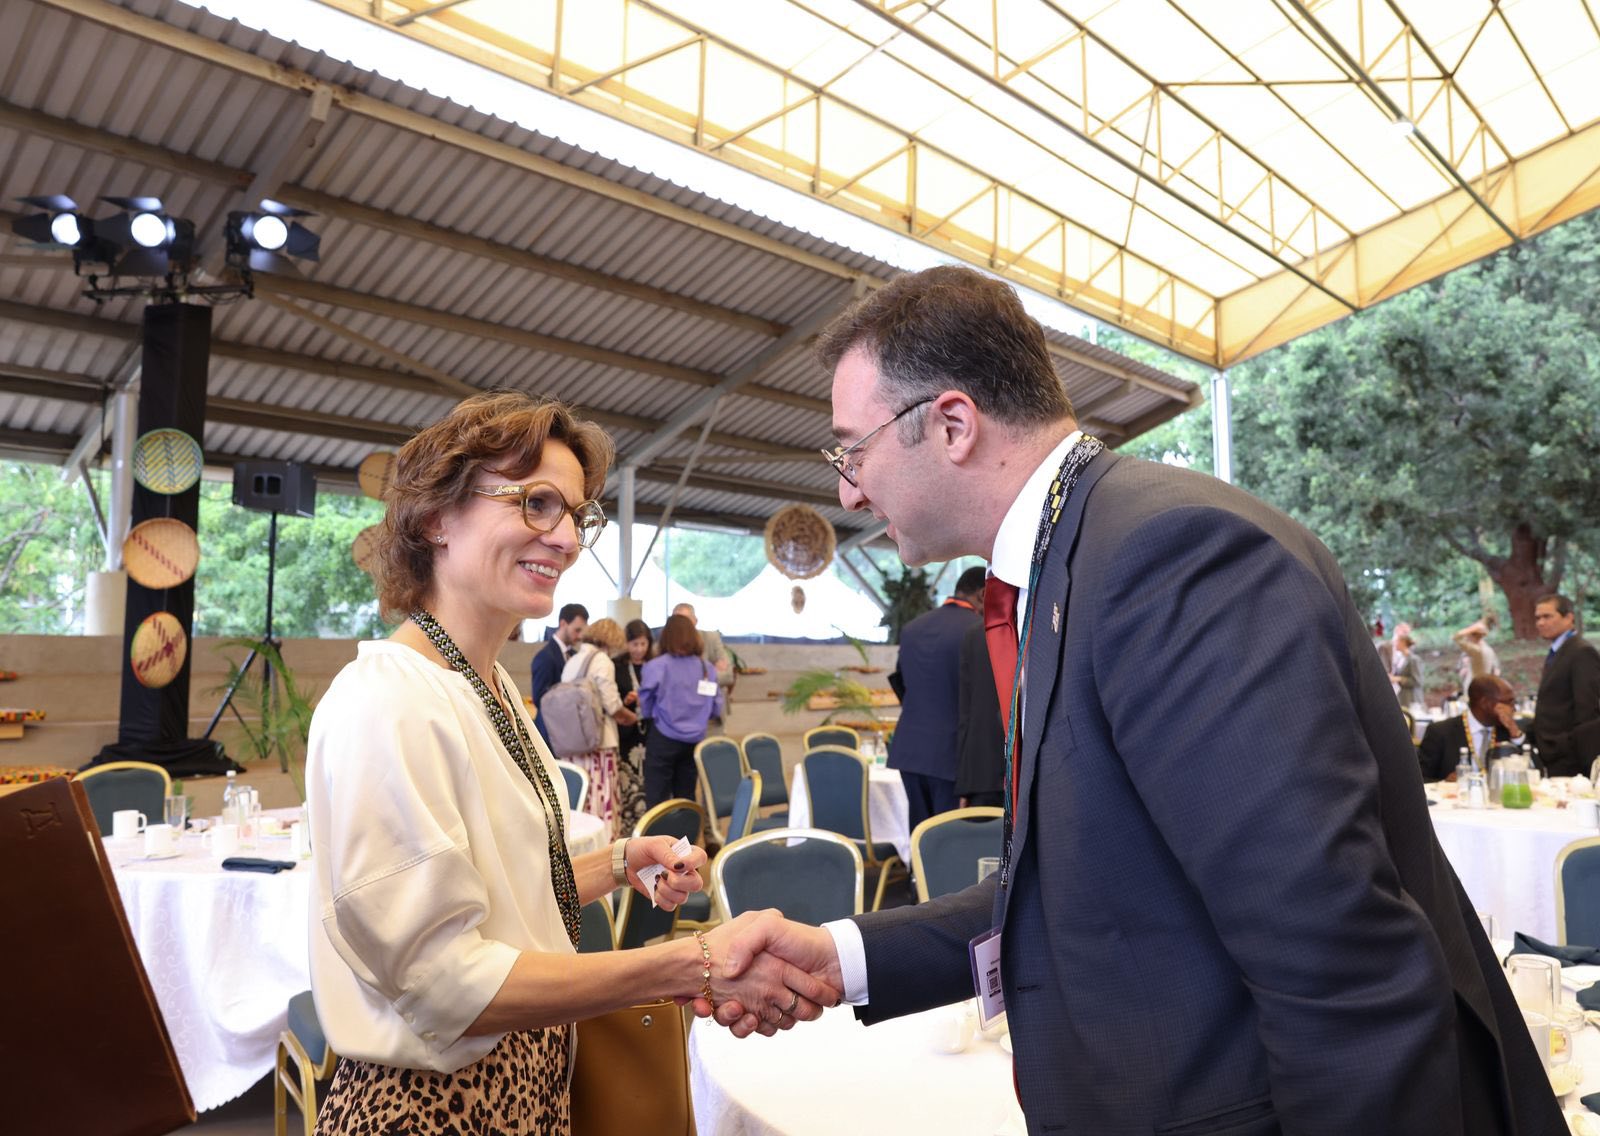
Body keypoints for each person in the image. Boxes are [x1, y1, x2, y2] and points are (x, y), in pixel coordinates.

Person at [701, 266, 1562, 1135]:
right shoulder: (1071, 560)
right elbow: (1083, 882)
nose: (848, 491)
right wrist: (844, 956)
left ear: (953, 424)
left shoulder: (1170, 558)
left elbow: (1337, 967)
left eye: (853, 451)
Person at [304, 392, 832, 1134]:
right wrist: (692, 963)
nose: (564, 538)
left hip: (530, 1084)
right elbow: (444, 982)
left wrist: (618, 862)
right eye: (536, 503)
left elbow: (501, 893)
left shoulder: (487, 683)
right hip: (434, 1110)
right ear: (434, 518)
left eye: (576, 515)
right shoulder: (388, 698)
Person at [886, 565, 985, 832]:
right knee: (949, 838)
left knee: (920, 833)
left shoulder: (912, 628)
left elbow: (901, 681)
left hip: (910, 750)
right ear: (983, 594)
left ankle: (917, 863)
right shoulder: (977, 631)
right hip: (952, 754)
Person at [558, 617, 637, 837]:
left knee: (581, 798)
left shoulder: (573, 660)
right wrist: (629, 716)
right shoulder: (602, 661)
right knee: (601, 796)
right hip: (598, 742)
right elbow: (612, 704)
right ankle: (604, 841)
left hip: (574, 741)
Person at [638, 613, 723, 807]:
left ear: (666, 636)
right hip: (694, 740)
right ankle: (685, 828)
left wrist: (651, 716)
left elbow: (646, 703)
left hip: (663, 737)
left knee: (657, 799)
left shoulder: (656, 666)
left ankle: (659, 829)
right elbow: (717, 706)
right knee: (686, 798)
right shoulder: (707, 668)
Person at [1532, 593, 1600, 777]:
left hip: (1570, 758)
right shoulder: (1558, 650)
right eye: (1538, 618)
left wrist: (1566, 746)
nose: (1541, 623)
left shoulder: (1581, 652)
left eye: (1547, 616)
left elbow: (1588, 711)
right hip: (1553, 753)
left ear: (1569, 618)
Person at [1418, 676, 1524, 782]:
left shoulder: (1507, 730)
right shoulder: (1441, 732)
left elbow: (1532, 771)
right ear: (1485, 703)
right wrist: (1445, 783)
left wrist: (1515, 733)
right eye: (1509, 702)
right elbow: (1419, 779)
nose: (1514, 708)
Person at [954, 616, 1003, 809]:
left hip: (983, 772)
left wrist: (965, 784)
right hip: (1030, 775)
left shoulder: (976, 635)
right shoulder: (1044, 626)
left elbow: (966, 715)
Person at [611, 618, 654, 836]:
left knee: (649, 781)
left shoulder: (655, 665)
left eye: (643, 644)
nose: (639, 649)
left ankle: (649, 828)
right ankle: (628, 831)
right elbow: (610, 700)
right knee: (627, 781)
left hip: (650, 732)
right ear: (626, 643)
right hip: (627, 734)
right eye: (634, 644)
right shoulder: (616, 666)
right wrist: (625, 701)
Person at [529, 602, 587, 744]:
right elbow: (539, 698)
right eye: (577, 630)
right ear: (563, 624)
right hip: (549, 732)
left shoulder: (574, 655)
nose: (580, 636)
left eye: (582, 631)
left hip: (567, 731)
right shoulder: (545, 657)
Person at [672, 601, 735, 720]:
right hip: (680, 714)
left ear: (695, 621)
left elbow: (728, 676)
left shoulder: (711, 638)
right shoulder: (666, 646)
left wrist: (693, 683)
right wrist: (709, 673)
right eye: (677, 622)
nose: (682, 626)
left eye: (686, 621)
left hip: (712, 714)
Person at [1376, 622, 1425, 706]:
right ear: (1396, 630)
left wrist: (1397, 679)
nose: (1406, 635)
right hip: (1389, 691)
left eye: (1408, 633)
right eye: (1404, 632)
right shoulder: (1383, 647)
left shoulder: (1412, 657)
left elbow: (1416, 679)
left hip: (1407, 697)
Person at [1453, 619, 1501, 692]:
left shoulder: (1476, 651)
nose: (1466, 638)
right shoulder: (1489, 649)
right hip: (1485, 686)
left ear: (1472, 636)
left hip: (1473, 688)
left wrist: (1470, 629)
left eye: (1468, 636)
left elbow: (1456, 637)